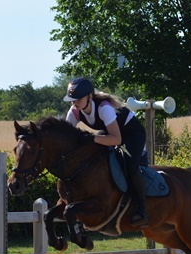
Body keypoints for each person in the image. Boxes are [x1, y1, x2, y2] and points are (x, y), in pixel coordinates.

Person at [63, 77, 149, 228]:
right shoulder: (74, 111)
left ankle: (142, 210)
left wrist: (91, 138)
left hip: (132, 133)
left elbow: (116, 139)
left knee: (130, 164)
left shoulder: (104, 108)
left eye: (78, 99)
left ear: (90, 97)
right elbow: (67, 139)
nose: (74, 103)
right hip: (110, 132)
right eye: (72, 100)